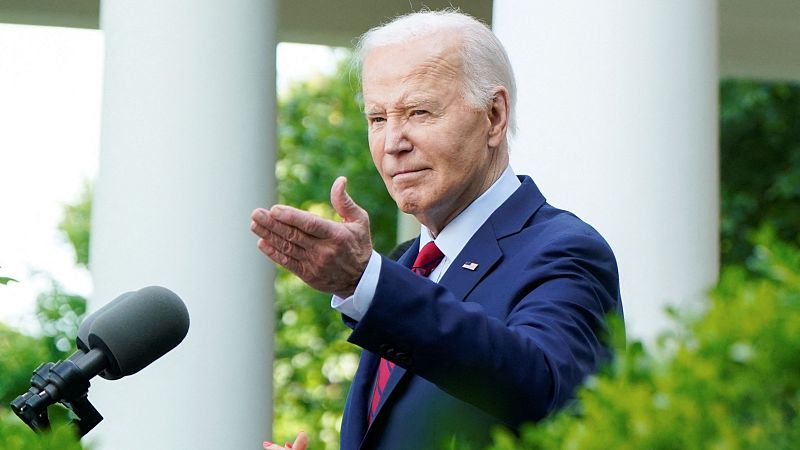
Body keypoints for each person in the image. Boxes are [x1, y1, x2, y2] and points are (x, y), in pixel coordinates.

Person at [252, 9, 622, 450]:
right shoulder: (405, 265)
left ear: (494, 116)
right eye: (377, 119)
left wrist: (365, 281)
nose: (393, 143)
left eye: (418, 112)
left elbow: (542, 390)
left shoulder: (566, 251)